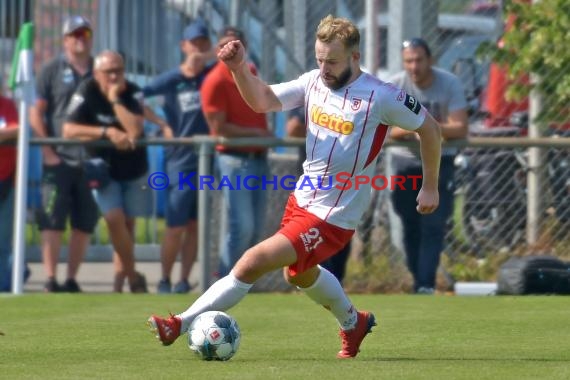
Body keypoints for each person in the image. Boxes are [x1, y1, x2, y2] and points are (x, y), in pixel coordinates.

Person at [147, 15, 441, 359]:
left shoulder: (382, 96)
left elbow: (430, 129)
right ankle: (353, 322)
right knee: (299, 276)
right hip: (302, 200)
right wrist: (240, 68)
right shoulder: (313, 82)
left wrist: (430, 185)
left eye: (332, 61)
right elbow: (263, 100)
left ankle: (179, 324)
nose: (324, 68)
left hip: (335, 213)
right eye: (319, 59)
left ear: (355, 56)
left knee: (251, 261)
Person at [62, 50, 149, 293]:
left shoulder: (133, 91)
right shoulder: (86, 90)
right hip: (101, 169)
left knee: (128, 226)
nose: (114, 75)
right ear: (97, 73)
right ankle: (133, 277)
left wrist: (114, 100)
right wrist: (107, 132)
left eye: (118, 70)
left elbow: (135, 131)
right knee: (113, 220)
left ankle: (119, 284)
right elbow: (68, 129)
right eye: (108, 71)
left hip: (132, 169)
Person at [388, 38, 468, 294]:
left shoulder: (449, 83)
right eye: (409, 61)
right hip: (405, 164)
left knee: (433, 224)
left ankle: (426, 285)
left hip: (439, 163)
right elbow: (388, 129)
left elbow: (460, 127)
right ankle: (418, 281)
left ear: (430, 60)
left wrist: (426, 129)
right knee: (410, 224)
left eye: (419, 60)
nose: (414, 66)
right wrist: (424, 128)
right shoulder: (396, 86)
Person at [142, 19, 216, 294]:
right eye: (193, 43)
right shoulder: (172, 79)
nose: (197, 48)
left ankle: (184, 280)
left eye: (202, 42)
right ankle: (164, 278)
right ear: (183, 45)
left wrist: (209, 57)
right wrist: (161, 125)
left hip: (207, 159)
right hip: (180, 158)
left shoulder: (212, 74)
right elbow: (136, 96)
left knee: (196, 224)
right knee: (175, 225)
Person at [29, 15, 99, 293]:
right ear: (65, 39)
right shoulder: (50, 69)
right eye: (74, 34)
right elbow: (36, 111)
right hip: (58, 158)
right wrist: (47, 150)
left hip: (93, 158)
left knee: (84, 222)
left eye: (84, 33)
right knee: (52, 221)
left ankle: (71, 279)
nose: (80, 38)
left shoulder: (100, 69)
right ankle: (50, 278)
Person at [200, 27, 272, 277]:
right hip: (234, 159)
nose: (229, 49)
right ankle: (226, 280)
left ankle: (243, 282)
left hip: (259, 158)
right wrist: (257, 135)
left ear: (244, 47)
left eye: (235, 44)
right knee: (241, 226)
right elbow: (218, 128)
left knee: (256, 228)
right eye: (223, 44)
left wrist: (261, 137)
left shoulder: (250, 72)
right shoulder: (215, 80)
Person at [285, 107, 351, 284]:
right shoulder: (311, 97)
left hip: (344, 184)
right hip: (313, 185)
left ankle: (335, 284)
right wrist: (325, 125)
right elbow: (293, 129)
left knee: (341, 233)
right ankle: (315, 282)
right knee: (311, 234)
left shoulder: (358, 100)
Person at [0, 88, 32, 291]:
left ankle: (3, 286)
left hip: (6, 180)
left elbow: (19, 129)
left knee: (2, 240)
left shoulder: (6, 104)